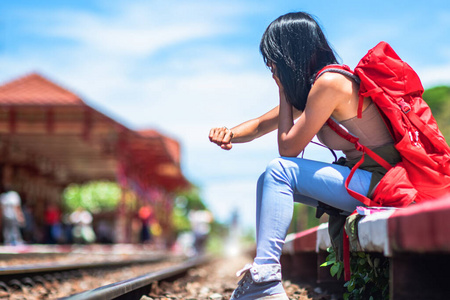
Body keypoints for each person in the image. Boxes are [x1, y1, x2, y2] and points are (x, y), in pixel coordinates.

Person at [208, 12, 401, 300]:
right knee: (268, 178)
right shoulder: (316, 87)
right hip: (364, 180)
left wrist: (284, 90)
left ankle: (266, 277)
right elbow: (262, 125)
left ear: (290, 54)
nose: (271, 67)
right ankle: (265, 276)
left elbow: (287, 149)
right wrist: (230, 134)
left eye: (274, 60)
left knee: (279, 170)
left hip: (382, 183)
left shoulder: (330, 83)